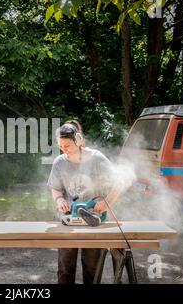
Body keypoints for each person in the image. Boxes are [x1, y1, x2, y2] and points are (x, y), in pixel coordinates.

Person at [47, 119, 121, 284]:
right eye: (60, 146)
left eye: (67, 146)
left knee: (91, 269)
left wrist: (106, 202)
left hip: (93, 219)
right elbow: (56, 188)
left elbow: (119, 183)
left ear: (78, 141)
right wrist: (59, 199)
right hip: (68, 219)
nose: (64, 150)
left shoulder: (97, 158)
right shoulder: (59, 162)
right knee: (65, 269)